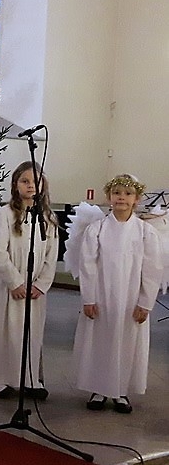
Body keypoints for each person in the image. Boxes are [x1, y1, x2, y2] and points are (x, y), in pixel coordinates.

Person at [73, 174, 162, 414]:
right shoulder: (97, 229)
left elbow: (152, 269)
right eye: (117, 193)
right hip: (102, 296)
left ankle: (121, 390)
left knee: (127, 342)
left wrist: (145, 302)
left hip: (131, 300)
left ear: (137, 199)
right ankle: (98, 389)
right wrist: (89, 298)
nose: (122, 197)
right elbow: (88, 265)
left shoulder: (145, 232)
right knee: (100, 341)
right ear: (109, 197)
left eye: (128, 193)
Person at [0, 162, 58, 400]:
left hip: (35, 287)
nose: (30, 186)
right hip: (9, 286)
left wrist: (41, 284)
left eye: (36, 182)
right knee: (4, 331)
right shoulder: (4, 214)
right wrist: (15, 282)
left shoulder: (48, 217)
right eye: (25, 181)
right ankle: (0, 378)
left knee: (31, 333)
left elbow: (51, 255)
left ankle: (29, 378)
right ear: (16, 184)